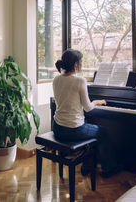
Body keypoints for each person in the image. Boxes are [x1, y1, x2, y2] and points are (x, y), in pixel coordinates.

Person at [52, 48, 121, 177]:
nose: (81, 63)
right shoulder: (79, 81)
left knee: (88, 126)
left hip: (57, 127)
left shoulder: (56, 80)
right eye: (81, 61)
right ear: (76, 64)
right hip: (72, 130)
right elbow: (88, 107)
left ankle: (87, 166)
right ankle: (109, 168)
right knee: (102, 132)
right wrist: (97, 102)